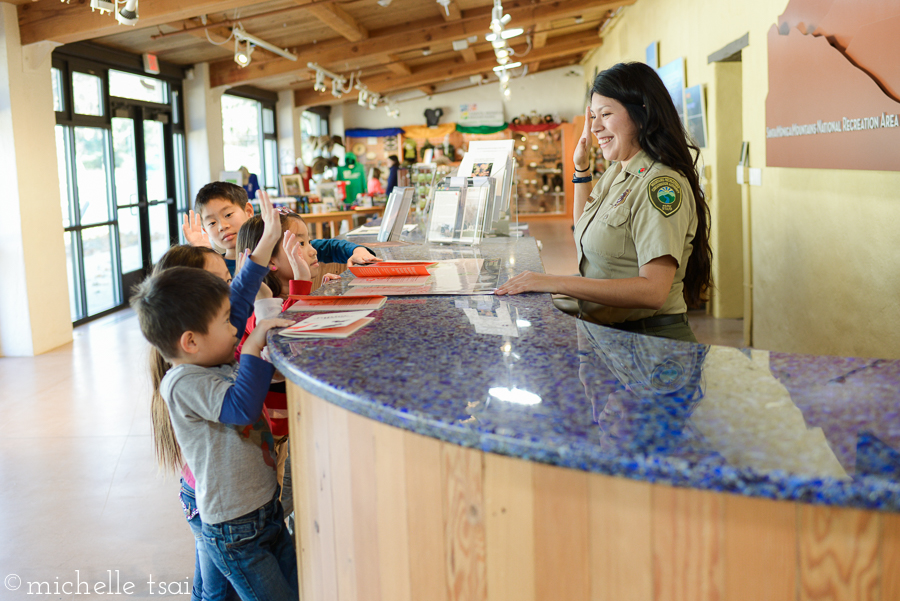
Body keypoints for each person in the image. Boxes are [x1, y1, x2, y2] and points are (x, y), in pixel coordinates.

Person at [132, 195, 299, 600]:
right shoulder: (184, 382)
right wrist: (256, 345)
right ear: (190, 341)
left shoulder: (208, 348)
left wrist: (266, 242)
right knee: (218, 592)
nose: (237, 327)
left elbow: (239, 298)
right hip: (234, 527)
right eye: (227, 323)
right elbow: (240, 408)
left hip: (263, 511)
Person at [495, 62, 712, 342]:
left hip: (650, 345)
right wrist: (581, 169)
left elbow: (653, 291)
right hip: (609, 337)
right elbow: (585, 225)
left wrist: (557, 283)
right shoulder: (618, 171)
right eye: (593, 116)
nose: (595, 127)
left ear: (641, 114)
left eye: (606, 114)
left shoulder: (660, 184)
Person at [181, 182, 382, 274]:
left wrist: (357, 251)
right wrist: (204, 252)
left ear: (249, 211)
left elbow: (328, 247)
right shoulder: (218, 269)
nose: (223, 226)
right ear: (205, 229)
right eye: (212, 223)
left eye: (228, 215)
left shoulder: (279, 247)